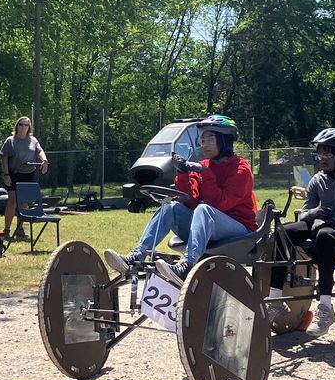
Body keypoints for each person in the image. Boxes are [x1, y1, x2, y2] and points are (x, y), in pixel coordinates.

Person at [104, 115, 256, 284]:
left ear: (225, 140)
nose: (203, 144)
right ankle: (136, 256)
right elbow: (190, 201)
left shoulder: (241, 169)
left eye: (210, 139)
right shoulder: (204, 164)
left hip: (240, 230)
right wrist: (183, 173)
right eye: (202, 139)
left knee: (204, 209)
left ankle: (188, 265)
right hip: (209, 225)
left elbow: (220, 204)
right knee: (171, 206)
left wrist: (205, 173)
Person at [274, 128, 335, 337]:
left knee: (324, 235)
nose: (321, 159)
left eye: (327, 154)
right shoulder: (317, 180)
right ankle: (275, 299)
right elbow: (305, 214)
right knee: (282, 232)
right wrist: (314, 212)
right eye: (319, 154)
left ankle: (325, 308)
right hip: (325, 222)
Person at [0, 116, 48, 240]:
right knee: (12, 201)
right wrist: (6, 175)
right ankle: (6, 230)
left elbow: (39, 151)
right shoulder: (10, 141)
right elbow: (4, 157)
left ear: (29, 127)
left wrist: (44, 161)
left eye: (26, 125)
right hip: (13, 174)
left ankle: (20, 228)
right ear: (17, 126)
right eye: (21, 124)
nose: (23, 127)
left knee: (24, 202)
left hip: (28, 174)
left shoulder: (33, 140)